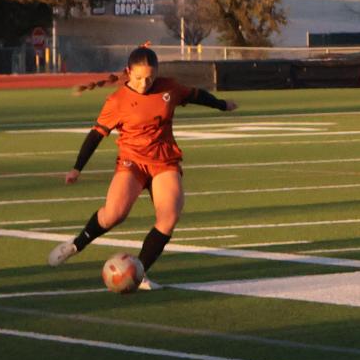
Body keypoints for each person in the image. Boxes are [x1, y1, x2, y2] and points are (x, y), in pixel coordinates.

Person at [47, 47, 237, 287]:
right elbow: (96, 135)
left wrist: (222, 104)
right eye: (138, 78)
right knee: (114, 215)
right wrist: (77, 168)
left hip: (164, 161)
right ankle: (75, 245)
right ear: (128, 72)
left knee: (168, 217)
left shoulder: (169, 88)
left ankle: (139, 272)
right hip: (132, 161)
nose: (144, 83)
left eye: (149, 78)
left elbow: (196, 95)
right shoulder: (117, 101)